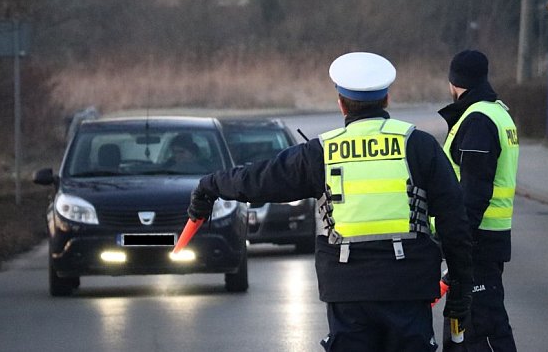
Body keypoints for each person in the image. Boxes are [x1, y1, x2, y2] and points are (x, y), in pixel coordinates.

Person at [188, 52, 474, 351]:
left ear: (341, 102)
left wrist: (210, 185)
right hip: (408, 288)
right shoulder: (418, 145)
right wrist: (461, 287)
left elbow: (258, 180)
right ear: (387, 99)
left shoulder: (321, 152)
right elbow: (455, 222)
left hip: (347, 291)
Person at [438, 50, 519, 352]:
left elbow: (474, 192)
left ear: (454, 82)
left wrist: (458, 242)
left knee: (482, 331)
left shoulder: (478, 121)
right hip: (485, 239)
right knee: (466, 330)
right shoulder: (498, 112)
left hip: (476, 242)